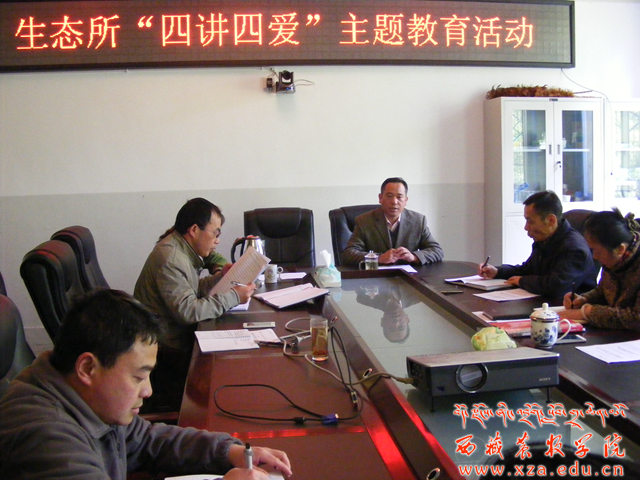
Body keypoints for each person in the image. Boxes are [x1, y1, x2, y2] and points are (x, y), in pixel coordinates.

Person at [0, 289, 292, 480]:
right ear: (88, 368)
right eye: (138, 377)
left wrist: (230, 452)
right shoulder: (44, 438)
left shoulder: (88, 399)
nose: (148, 390)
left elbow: (147, 440)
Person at [134, 197, 256, 410]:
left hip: (173, 342)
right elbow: (188, 311)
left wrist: (220, 278)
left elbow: (191, 290)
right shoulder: (171, 258)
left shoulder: (180, 249)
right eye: (215, 233)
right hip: (166, 354)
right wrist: (234, 297)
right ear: (194, 230)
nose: (217, 241)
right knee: (233, 371)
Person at [479, 191, 598, 305]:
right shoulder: (544, 240)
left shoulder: (574, 248)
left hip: (566, 309)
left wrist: (522, 281)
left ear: (551, 220)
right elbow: (526, 270)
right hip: (542, 304)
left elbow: (556, 286)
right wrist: (497, 271)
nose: (526, 227)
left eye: (530, 221)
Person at [560, 209, 640, 331]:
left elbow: (636, 318)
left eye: (596, 251)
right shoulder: (615, 259)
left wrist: (587, 312)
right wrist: (584, 299)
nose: (594, 256)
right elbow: (603, 291)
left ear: (620, 249)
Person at [341, 177, 444, 266]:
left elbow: (437, 251)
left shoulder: (418, 221)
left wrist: (414, 257)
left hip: (408, 277)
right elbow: (348, 254)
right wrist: (379, 258)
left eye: (399, 197)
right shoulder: (364, 221)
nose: (394, 201)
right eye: (389, 196)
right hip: (375, 278)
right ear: (380, 198)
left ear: (406, 200)